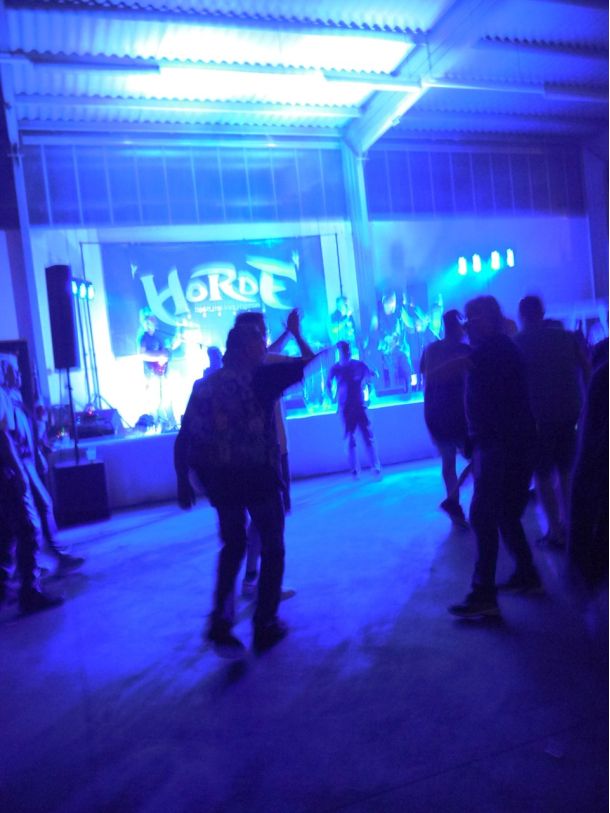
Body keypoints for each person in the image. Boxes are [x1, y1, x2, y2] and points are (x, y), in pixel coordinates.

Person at [174, 311, 316, 657]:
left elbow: (185, 434)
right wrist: (296, 334)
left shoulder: (205, 386)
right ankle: (264, 623)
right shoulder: (261, 379)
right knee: (272, 545)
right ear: (244, 349)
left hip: (221, 481)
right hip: (257, 477)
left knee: (233, 546)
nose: (263, 347)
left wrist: (182, 479)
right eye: (258, 342)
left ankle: (220, 625)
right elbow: (309, 362)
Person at [449, 296, 541, 619]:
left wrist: (479, 443)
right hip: (507, 444)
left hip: (499, 446)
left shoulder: (494, 350)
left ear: (490, 319)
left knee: (483, 515)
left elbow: (465, 372)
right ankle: (527, 574)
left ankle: (484, 594)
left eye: (473, 319)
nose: (468, 327)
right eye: (468, 320)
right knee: (504, 513)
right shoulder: (500, 348)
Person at [514, 296, 588, 548]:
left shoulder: (518, 343)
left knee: (543, 475)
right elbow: (586, 368)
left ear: (522, 315)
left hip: (537, 419)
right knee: (566, 472)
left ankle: (555, 531)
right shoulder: (566, 338)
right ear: (542, 312)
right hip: (569, 413)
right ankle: (571, 526)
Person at [1, 360, 84, 573]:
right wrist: (18, 467)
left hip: (29, 461)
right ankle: (30, 567)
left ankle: (41, 560)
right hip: (19, 464)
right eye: (13, 371)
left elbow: (29, 430)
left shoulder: (16, 398)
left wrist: (40, 442)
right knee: (28, 519)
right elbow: (7, 437)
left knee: (38, 510)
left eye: (18, 371)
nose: (19, 375)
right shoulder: (4, 399)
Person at [0, 388, 64, 615]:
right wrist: (18, 471)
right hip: (6, 473)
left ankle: (4, 589)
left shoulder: (8, 395)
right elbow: (3, 435)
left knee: (6, 532)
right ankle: (30, 593)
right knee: (28, 528)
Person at [420, 310, 471, 528]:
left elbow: (425, 375)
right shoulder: (465, 351)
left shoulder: (431, 349)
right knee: (477, 459)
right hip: (460, 416)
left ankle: (454, 505)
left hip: (437, 415)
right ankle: (455, 504)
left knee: (449, 463)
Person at [327, 341, 381, 477]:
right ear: (340, 352)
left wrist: (370, 394)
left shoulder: (359, 365)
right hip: (346, 408)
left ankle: (374, 466)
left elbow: (371, 377)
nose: (347, 352)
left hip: (359, 406)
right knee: (351, 438)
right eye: (344, 350)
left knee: (367, 436)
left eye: (348, 350)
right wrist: (332, 398)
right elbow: (328, 384)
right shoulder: (336, 369)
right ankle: (355, 469)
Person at [138, 313, 176, 430]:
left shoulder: (158, 337)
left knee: (166, 400)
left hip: (161, 373)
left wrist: (165, 356)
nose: (152, 323)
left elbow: (165, 352)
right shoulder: (144, 338)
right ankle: (155, 426)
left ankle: (172, 425)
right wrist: (158, 356)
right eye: (150, 321)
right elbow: (142, 355)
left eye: (153, 321)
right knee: (155, 402)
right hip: (151, 374)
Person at [374, 292, 411, 392]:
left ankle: (409, 390)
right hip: (388, 350)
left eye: (391, 304)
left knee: (407, 369)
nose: (389, 307)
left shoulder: (400, 312)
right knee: (391, 372)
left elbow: (410, 324)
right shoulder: (379, 315)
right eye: (387, 304)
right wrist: (384, 342)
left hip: (401, 348)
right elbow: (375, 333)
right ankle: (392, 390)